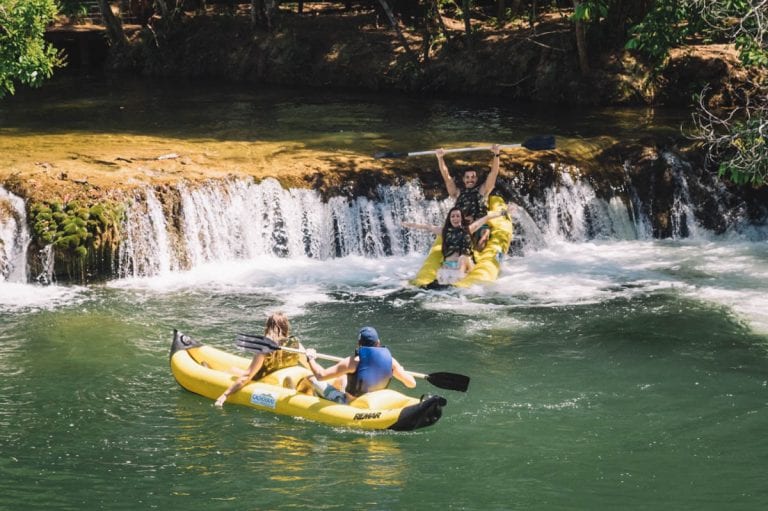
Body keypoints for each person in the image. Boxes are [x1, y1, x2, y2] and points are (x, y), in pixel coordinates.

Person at [403, 204, 515, 284]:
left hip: (465, 265)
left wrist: (505, 212)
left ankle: (457, 284)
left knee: (462, 258)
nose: (455, 218)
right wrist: (408, 224)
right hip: (449, 265)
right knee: (442, 272)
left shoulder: (469, 229)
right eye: (453, 216)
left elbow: (486, 218)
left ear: (461, 218)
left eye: (457, 216)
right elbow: (427, 227)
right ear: (449, 218)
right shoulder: (444, 232)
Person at [302, 326, 416, 404]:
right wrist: (400, 369)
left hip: (350, 403)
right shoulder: (391, 361)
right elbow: (412, 384)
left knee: (310, 378)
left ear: (358, 344)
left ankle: (311, 399)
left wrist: (310, 358)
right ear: (378, 342)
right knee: (342, 376)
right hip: (374, 400)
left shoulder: (352, 362)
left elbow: (320, 376)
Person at [215, 312, 305, 407]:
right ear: (286, 326)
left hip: (264, 378)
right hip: (286, 372)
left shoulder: (265, 348)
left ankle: (208, 371)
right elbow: (307, 361)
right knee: (236, 370)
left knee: (232, 370)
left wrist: (225, 394)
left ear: (268, 327)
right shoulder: (295, 343)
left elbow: (247, 376)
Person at [435, 143, 501, 225]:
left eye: (473, 177)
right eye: (467, 177)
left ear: (476, 179)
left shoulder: (482, 190)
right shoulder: (457, 192)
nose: (470, 180)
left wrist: (496, 154)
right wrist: (440, 158)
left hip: (478, 225)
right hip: (462, 226)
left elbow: (493, 173)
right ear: (463, 179)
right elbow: (446, 177)